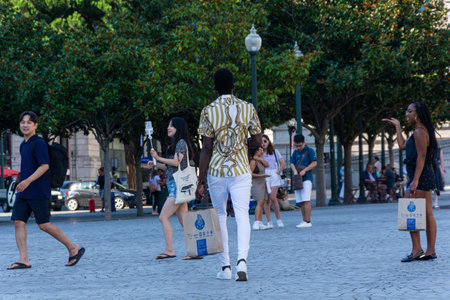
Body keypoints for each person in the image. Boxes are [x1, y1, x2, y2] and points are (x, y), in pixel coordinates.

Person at [196, 68, 262, 281]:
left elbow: (206, 148)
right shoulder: (247, 108)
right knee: (242, 215)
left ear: (215, 87)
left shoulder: (208, 110)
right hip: (241, 169)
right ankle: (242, 262)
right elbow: (258, 141)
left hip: (217, 171)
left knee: (220, 216)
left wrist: (200, 180)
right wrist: (242, 143)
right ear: (234, 85)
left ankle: (225, 267)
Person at [8, 111, 84, 270]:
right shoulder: (23, 144)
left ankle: (72, 248)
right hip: (24, 191)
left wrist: (27, 181)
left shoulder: (39, 143)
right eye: (23, 122)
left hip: (38, 190)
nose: (25, 125)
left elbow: (45, 166)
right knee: (18, 221)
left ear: (35, 125)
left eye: (29, 122)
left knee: (43, 224)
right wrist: (20, 181)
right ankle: (24, 259)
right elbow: (27, 167)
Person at [383, 101, 438, 262]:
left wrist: (415, 180)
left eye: (409, 111)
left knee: (409, 212)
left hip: (420, 176)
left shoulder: (420, 132)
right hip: (423, 175)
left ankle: (417, 249)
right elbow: (401, 145)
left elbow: (421, 156)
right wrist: (398, 127)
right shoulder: (418, 131)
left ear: (418, 114)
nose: (406, 114)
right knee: (427, 213)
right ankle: (430, 250)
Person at [148, 117, 195, 260]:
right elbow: (170, 167)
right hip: (177, 185)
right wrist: (156, 164)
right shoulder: (177, 143)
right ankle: (194, 250)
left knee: (163, 217)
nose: (168, 128)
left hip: (177, 187)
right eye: (168, 125)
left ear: (178, 128)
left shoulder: (181, 143)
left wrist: (158, 157)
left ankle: (169, 250)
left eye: (171, 126)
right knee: (184, 222)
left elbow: (176, 162)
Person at [290, 134, 317, 228]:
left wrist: (305, 170)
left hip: (307, 177)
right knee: (301, 201)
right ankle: (304, 220)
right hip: (298, 178)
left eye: (300, 145)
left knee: (306, 199)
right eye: (296, 145)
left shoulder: (310, 151)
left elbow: (314, 163)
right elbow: (292, 163)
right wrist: (295, 172)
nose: (298, 147)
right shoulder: (296, 152)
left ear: (304, 143)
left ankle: (308, 221)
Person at [261, 134, 285, 228]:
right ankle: (269, 221)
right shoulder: (259, 153)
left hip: (274, 174)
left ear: (269, 142)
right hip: (265, 174)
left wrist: (278, 172)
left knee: (273, 197)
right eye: (261, 142)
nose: (263, 143)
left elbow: (282, 163)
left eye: (265, 141)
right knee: (266, 199)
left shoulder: (275, 152)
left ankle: (278, 219)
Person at [249, 145, 270, 231]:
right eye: (259, 150)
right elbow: (250, 174)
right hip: (256, 183)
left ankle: (260, 222)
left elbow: (267, 165)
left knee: (262, 202)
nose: (261, 151)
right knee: (259, 201)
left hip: (262, 183)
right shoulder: (253, 161)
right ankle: (256, 221)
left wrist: (261, 158)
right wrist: (262, 175)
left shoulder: (259, 160)